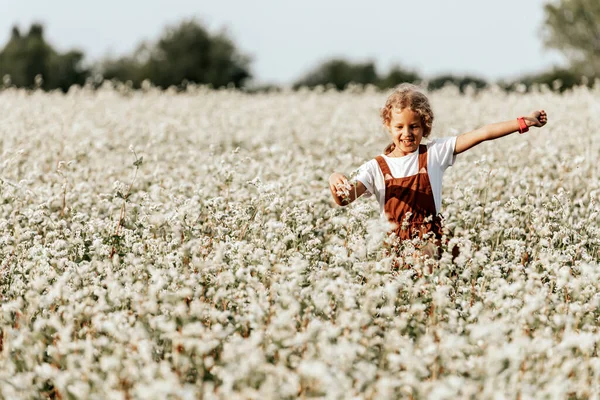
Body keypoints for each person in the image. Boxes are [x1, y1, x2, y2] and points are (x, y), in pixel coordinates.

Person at [328, 83, 548, 260]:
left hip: (430, 244)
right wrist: (334, 178)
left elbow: (482, 133)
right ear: (388, 125)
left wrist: (524, 121)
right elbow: (345, 197)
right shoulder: (375, 167)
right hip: (393, 250)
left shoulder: (434, 153)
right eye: (399, 127)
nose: (407, 133)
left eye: (414, 126)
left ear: (425, 126)